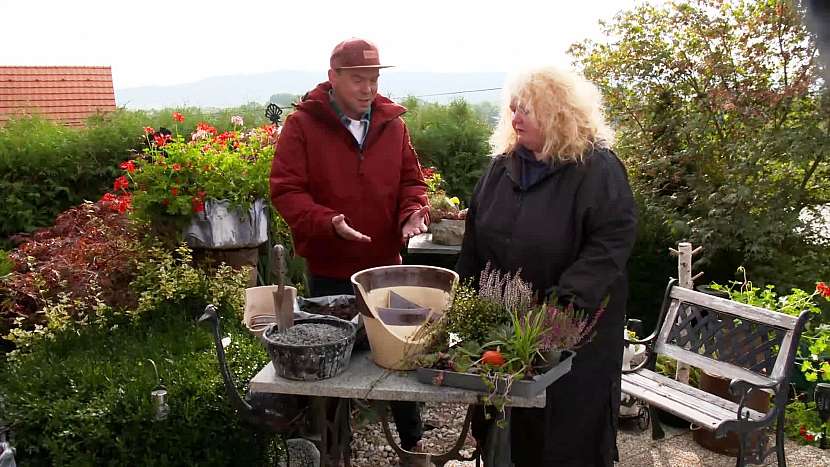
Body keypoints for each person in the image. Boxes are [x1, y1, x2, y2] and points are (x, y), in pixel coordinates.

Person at [456, 66, 638, 466]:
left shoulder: (598, 170)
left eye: (529, 109)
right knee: (505, 431)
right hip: (504, 329)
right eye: (514, 108)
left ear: (560, 114)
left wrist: (557, 315)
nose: (516, 117)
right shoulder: (501, 169)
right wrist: (465, 304)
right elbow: (475, 241)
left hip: (573, 335)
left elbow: (608, 247)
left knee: (565, 438)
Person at [270, 38, 429, 457]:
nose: (368, 88)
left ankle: (413, 446)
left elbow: (413, 182)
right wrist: (328, 222)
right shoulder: (302, 126)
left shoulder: (393, 125)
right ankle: (335, 445)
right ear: (333, 78)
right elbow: (286, 190)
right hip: (328, 268)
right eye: (358, 79)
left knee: (400, 356)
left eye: (373, 79)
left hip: (384, 267)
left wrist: (413, 212)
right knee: (328, 363)